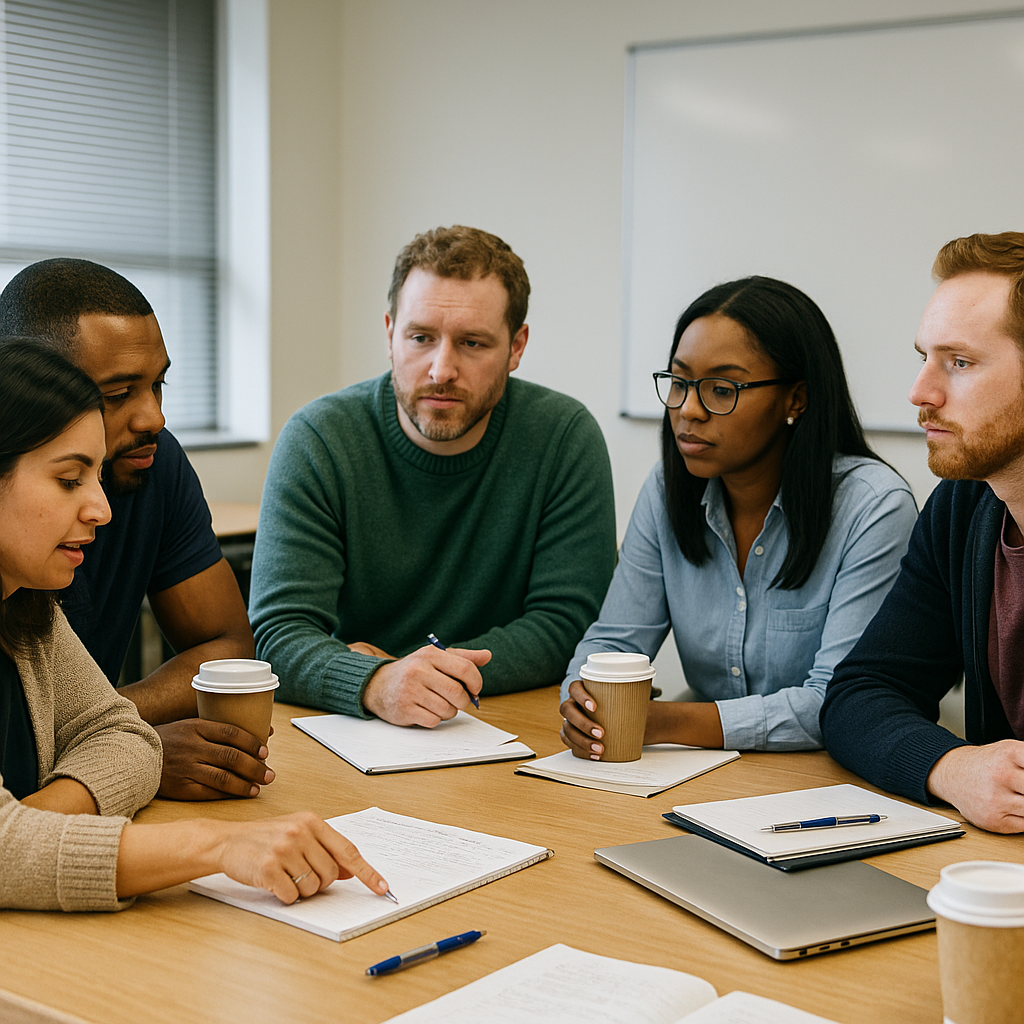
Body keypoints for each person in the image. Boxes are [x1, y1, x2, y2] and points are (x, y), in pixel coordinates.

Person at [0, 341, 390, 912]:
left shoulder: (26, 605)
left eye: (97, 477)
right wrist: (216, 843)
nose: (101, 510)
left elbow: (123, 735)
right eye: (68, 480)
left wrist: (28, 829)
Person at [249, 225, 617, 727]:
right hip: (354, 725)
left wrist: (418, 674)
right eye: (421, 338)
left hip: (507, 724)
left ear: (516, 346)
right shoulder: (318, 438)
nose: (442, 369)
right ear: (389, 334)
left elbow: (568, 624)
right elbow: (280, 634)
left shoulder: (564, 437)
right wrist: (378, 682)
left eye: (472, 343)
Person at [559, 276, 917, 756]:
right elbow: (614, 641)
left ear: (796, 398)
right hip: (700, 772)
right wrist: (584, 701)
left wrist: (663, 721)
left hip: (830, 779)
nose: (689, 410)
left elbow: (836, 702)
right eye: (680, 382)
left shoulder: (873, 507)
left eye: (721, 389)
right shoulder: (667, 489)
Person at [0, 260, 266, 802]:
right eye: (118, 394)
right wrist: (116, 745)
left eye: (158, 384)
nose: (154, 419)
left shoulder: (152, 462)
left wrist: (114, 733)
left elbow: (229, 647)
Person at [822, 231, 1024, 835]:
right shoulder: (963, 509)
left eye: (959, 363)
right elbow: (862, 692)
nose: (921, 393)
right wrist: (950, 766)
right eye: (924, 358)